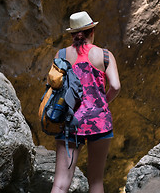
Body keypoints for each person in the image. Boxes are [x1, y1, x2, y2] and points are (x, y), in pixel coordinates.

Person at [51, 11, 121, 193]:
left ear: (73, 35)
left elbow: (54, 84)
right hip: (99, 122)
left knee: (60, 184)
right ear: (92, 31)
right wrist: (102, 103)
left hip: (69, 121)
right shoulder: (104, 55)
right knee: (96, 182)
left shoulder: (61, 54)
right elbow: (115, 85)